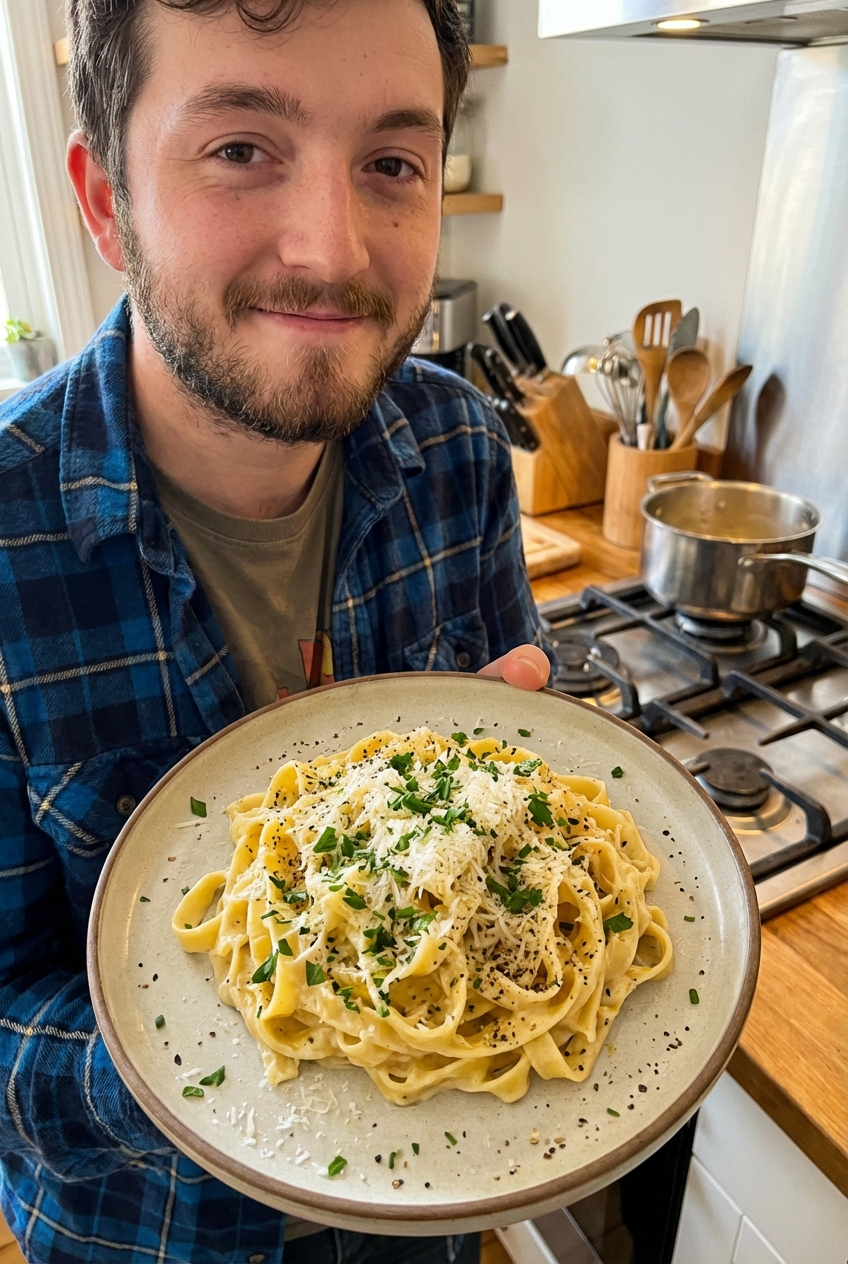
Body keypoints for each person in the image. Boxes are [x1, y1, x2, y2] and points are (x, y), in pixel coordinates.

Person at [0, 1, 552, 1260]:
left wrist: (513, 828)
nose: (330, 248)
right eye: (241, 148)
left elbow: (517, 764)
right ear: (105, 202)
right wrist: (286, 1027)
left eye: (391, 162)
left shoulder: (463, 449)